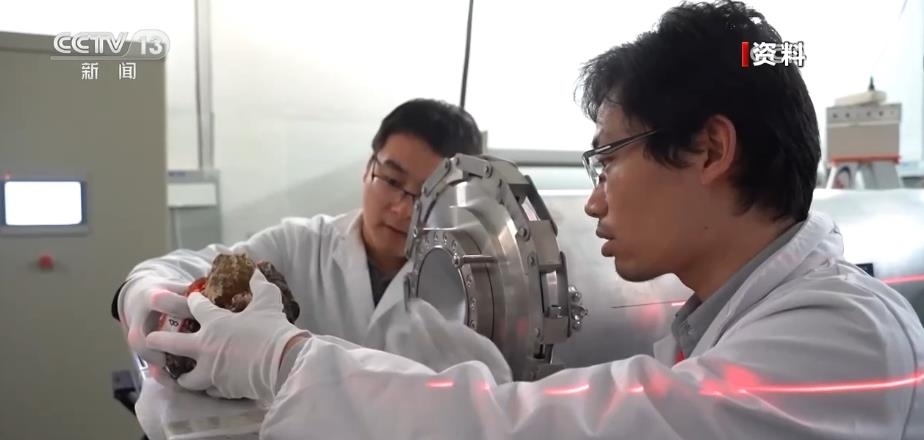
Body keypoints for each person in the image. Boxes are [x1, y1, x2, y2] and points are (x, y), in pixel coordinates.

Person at [146, 2, 924, 438]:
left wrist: (288, 363)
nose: (593, 201)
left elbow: (542, 426)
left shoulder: (843, 340)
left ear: (710, 149)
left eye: (607, 159)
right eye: (388, 179)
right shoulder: (713, 329)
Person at [111, 98, 484, 383]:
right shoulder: (301, 246)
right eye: (391, 180)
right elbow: (189, 267)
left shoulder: (467, 289)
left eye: (427, 196)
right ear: (368, 168)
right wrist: (140, 291)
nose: (403, 209)